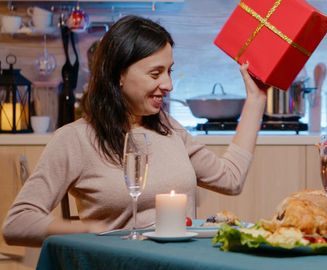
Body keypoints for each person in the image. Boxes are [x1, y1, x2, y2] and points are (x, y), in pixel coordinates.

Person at [2, 15, 267, 247]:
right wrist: (91, 231)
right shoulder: (75, 140)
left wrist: (256, 101)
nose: (169, 85)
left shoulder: (169, 129)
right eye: (155, 74)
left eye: (169, 71)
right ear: (118, 75)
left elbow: (230, 180)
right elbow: (17, 224)